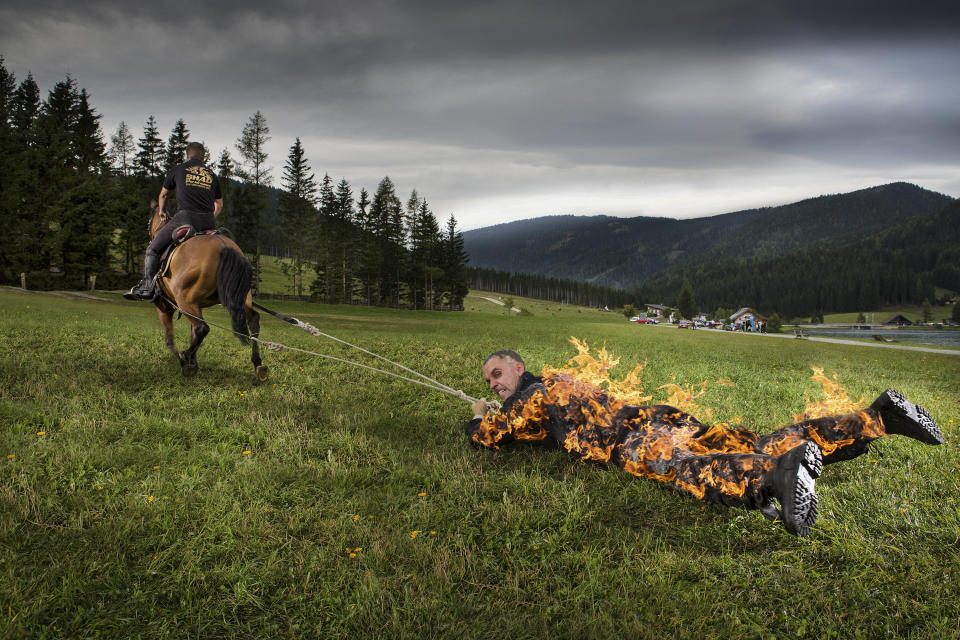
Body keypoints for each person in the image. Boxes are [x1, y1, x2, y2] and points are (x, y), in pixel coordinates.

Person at [465, 350, 944, 536]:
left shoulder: (536, 392)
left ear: (518, 367)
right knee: (757, 440)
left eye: (497, 374)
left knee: (683, 469)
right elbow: (532, 431)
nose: (492, 384)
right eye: (488, 381)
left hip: (637, 439)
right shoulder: (557, 387)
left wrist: (476, 419)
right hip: (667, 418)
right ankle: (876, 417)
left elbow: (493, 435)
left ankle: (773, 477)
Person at [124, 142, 223, 300]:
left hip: (185, 219)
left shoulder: (179, 169)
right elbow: (219, 204)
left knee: (152, 249)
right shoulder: (212, 175)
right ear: (203, 157)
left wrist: (162, 211)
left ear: (187, 155)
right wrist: (210, 217)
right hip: (208, 222)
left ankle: (148, 286)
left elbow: (163, 195)